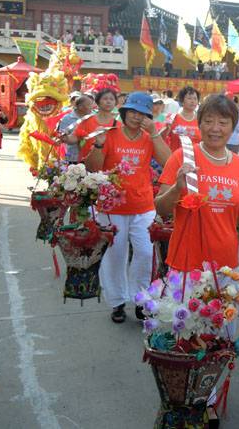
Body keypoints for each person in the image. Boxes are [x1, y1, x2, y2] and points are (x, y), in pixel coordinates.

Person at [85, 92, 171, 323]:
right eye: (132, 111)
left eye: (142, 113)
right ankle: (117, 302)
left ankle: (141, 301)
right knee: (115, 255)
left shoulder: (148, 137)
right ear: (123, 112)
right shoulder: (109, 135)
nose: (136, 116)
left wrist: (154, 134)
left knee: (145, 253)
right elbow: (93, 168)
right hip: (111, 207)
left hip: (143, 206)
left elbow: (169, 162)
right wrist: (98, 145)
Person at [156, 94, 239, 271]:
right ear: (199, 124)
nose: (215, 129)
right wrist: (177, 188)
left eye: (223, 123)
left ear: (232, 128)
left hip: (226, 267)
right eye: (208, 121)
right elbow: (160, 209)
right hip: (186, 265)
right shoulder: (182, 158)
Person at [65, 88, 118, 160]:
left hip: (109, 166)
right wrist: (65, 137)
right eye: (105, 99)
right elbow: (75, 137)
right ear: (98, 102)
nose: (108, 101)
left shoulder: (119, 125)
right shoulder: (87, 120)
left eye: (112, 99)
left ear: (115, 103)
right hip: (86, 164)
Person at [57, 95, 93, 163]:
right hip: (73, 157)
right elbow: (62, 136)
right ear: (80, 107)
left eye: (92, 104)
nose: (92, 107)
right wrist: (75, 137)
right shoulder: (67, 118)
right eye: (89, 105)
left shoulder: (92, 117)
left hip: (90, 157)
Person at [166, 86, 201, 151]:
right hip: (176, 158)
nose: (193, 101)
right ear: (182, 100)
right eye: (189, 98)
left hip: (195, 159)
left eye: (195, 99)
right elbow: (161, 136)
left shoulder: (201, 120)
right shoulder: (171, 118)